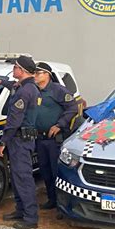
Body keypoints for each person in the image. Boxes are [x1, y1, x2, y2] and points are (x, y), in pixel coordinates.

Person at [0, 55, 40, 229]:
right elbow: (13, 84)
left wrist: (2, 142)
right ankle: (21, 210)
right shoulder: (25, 86)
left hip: (19, 139)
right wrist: (2, 82)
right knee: (17, 177)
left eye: (15, 68)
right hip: (20, 140)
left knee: (23, 178)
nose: (13, 70)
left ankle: (30, 217)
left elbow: (14, 121)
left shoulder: (25, 92)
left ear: (22, 70)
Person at [34, 62, 78, 210]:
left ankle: (61, 204)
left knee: (56, 172)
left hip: (54, 139)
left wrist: (59, 124)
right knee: (44, 171)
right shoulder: (35, 90)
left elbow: (72, 107)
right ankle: (51, 200)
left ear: (47, 74)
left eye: (38, 73)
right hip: (40, 138)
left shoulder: (57, 90)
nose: (35, 75)